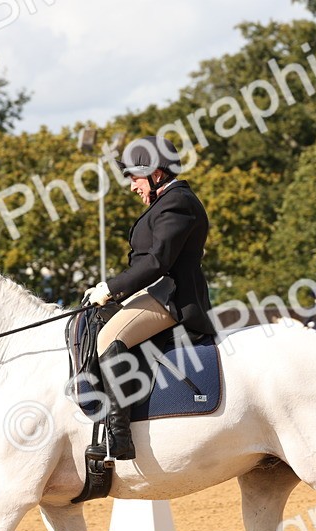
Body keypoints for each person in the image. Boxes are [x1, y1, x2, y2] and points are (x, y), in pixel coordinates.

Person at [83, 136, 215, 460]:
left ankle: (120, 435)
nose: (131, 187)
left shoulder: (178, 202)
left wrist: (111, 288)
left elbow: (157, 262)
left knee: (109, 337)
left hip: (172, 298)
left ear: (155, 173)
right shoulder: (165, 203)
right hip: (154, 292)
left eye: (134, 178)